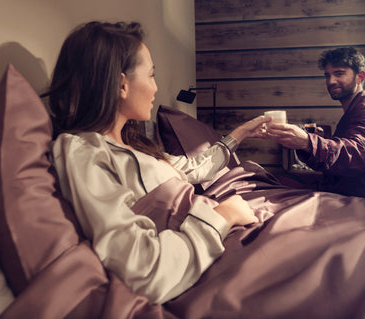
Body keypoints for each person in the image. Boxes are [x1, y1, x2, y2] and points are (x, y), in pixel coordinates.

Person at [45, 21, 270, 304]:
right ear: (121, 84)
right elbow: (142, 268)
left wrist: (240, 134)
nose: (156, 88)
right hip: (207, 255)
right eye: (151, 76)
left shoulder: (134, 145)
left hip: (224, 237)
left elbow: (193, 169)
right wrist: (224, 216)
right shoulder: (83, 151)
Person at [262, 47, 365, 201]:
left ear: (360, 77)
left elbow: (354, 156)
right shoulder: (355, 111)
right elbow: (340, 161)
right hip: (350, 193)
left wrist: (308, 142)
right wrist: (309, 143)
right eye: (327, 75)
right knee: (272, 182)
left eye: (339, 73)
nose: (330, 81)